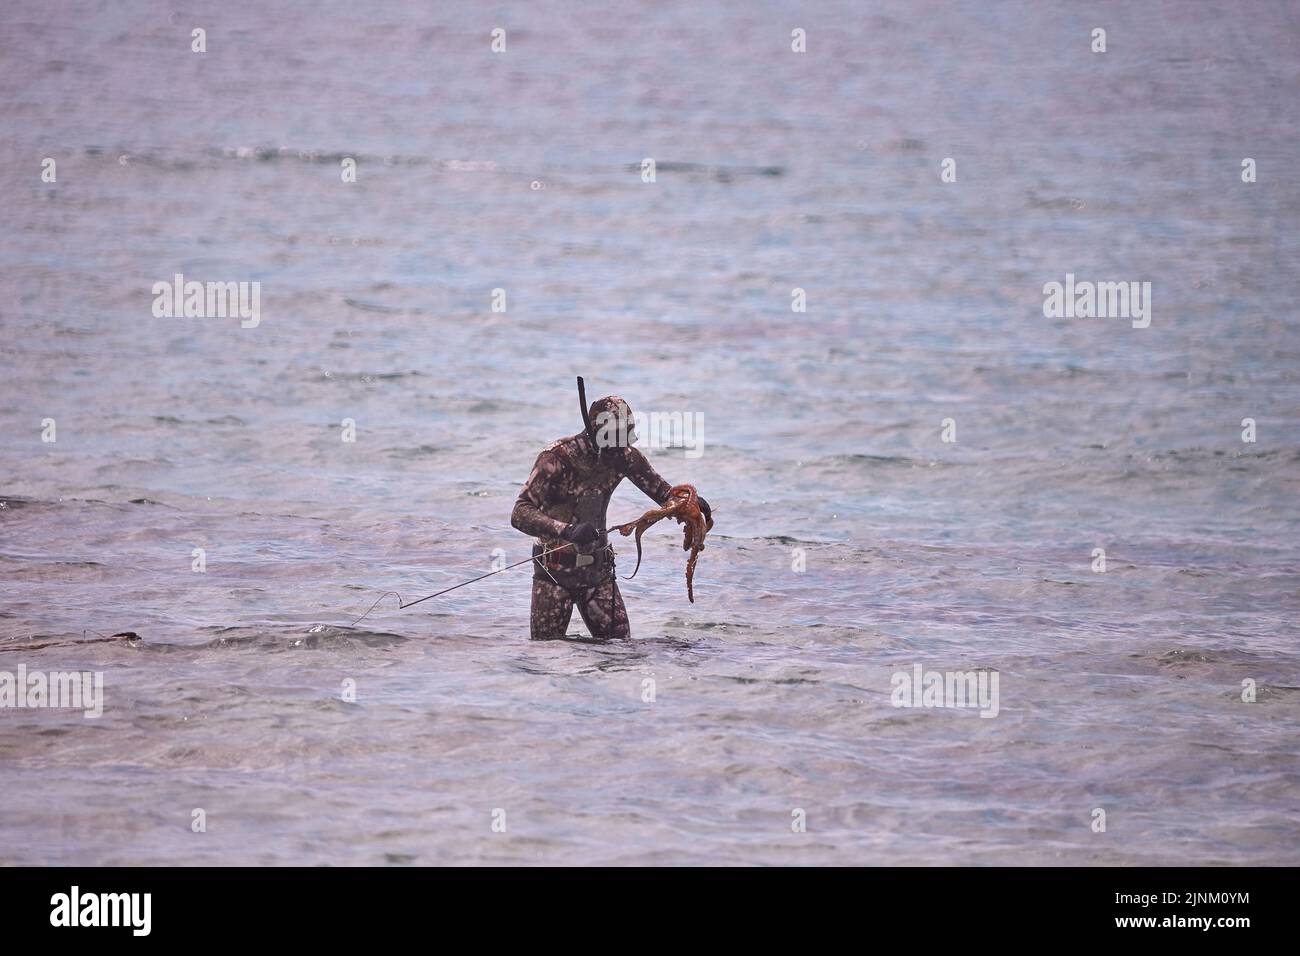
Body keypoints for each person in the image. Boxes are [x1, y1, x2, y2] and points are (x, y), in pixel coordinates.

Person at [511, 389, 710, 640]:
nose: (624, 447)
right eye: (618, 438)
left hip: (599, 575)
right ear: (598, 433)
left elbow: (663, 493)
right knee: (546, 656)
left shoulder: (624, 457)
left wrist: (687, 503)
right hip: (553, 573)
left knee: (621, 654)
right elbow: (520, 512)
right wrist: (567, 530)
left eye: (628, 437)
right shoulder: (557, 458)